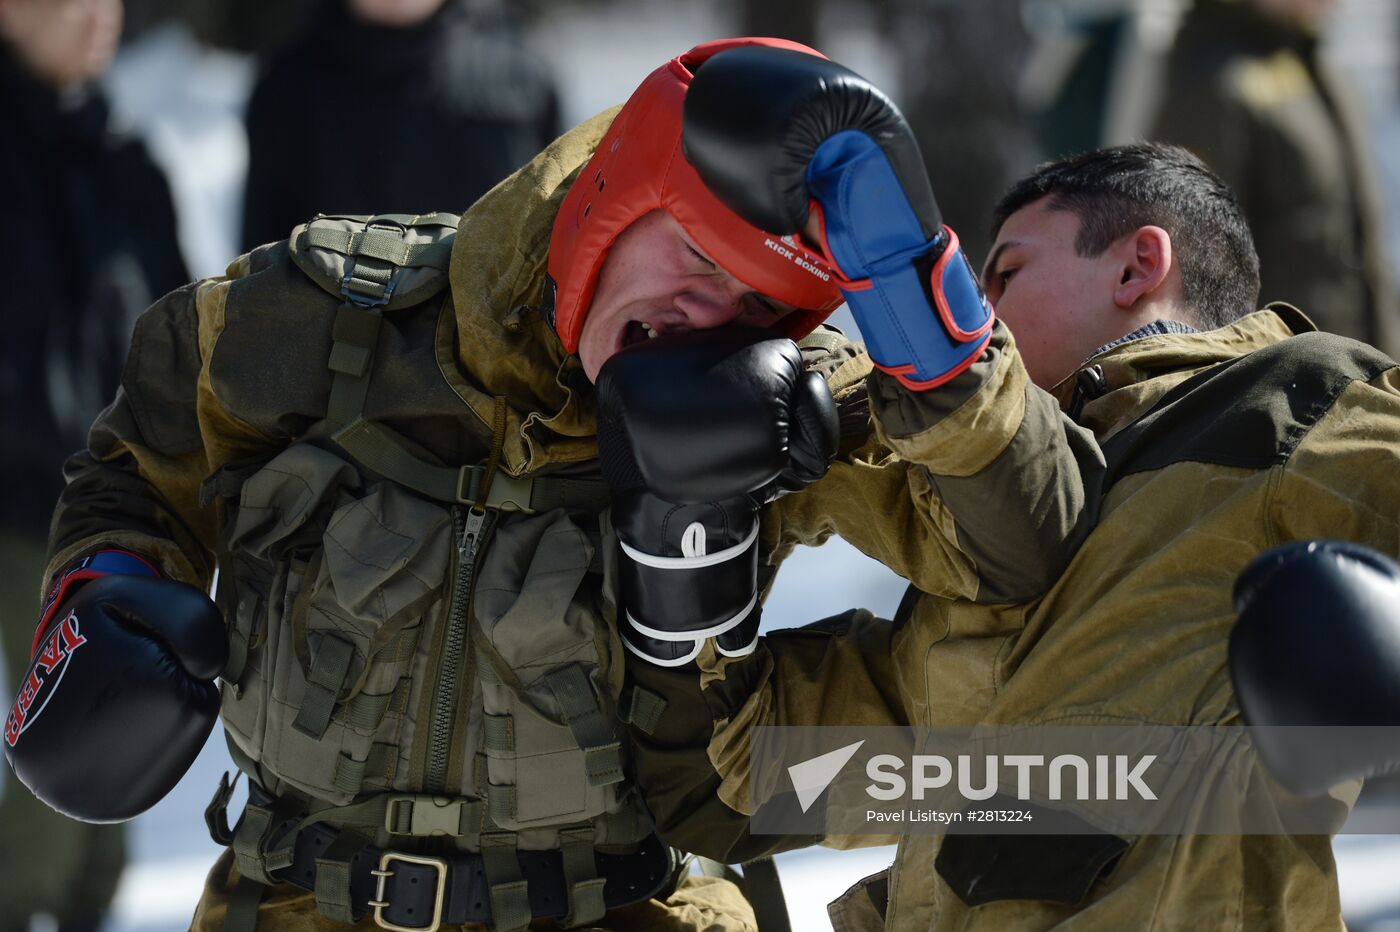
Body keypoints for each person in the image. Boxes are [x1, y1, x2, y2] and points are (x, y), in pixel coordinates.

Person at [4, 35, 1074, 932]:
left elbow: (1022, 551)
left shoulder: (778, 405)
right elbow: (140, 453)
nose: (708, 320)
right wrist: (105, 585)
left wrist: (931, 338)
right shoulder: (326, 316)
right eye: (699, 263)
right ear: (615, 200)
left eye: (758, 310)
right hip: (297, 900)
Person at [609, 45, 1400, 932]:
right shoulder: (976, 570)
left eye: (1006, 274)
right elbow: (758, 779)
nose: (979, 315)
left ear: (1139, 267)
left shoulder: (1297, 405)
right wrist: (689, 557)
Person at [0, 0, 189, 930]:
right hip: (14, 509)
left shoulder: (127, 156)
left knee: (120, 735)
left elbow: (181, 328)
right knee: (54, 742)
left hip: (121, 508)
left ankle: (84, 913)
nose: (98, 18)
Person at [1150, 0, 1400, 357]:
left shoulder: (1315, 64)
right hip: (1285, 388)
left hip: (1353, 374)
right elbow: (1197, 271)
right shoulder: (1213, 84)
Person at [240, 0, 560, 252]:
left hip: (487, 327)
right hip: (334, 328)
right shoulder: (288, 85)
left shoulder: (521, 80)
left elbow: (553, 246)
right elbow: (260, 270)